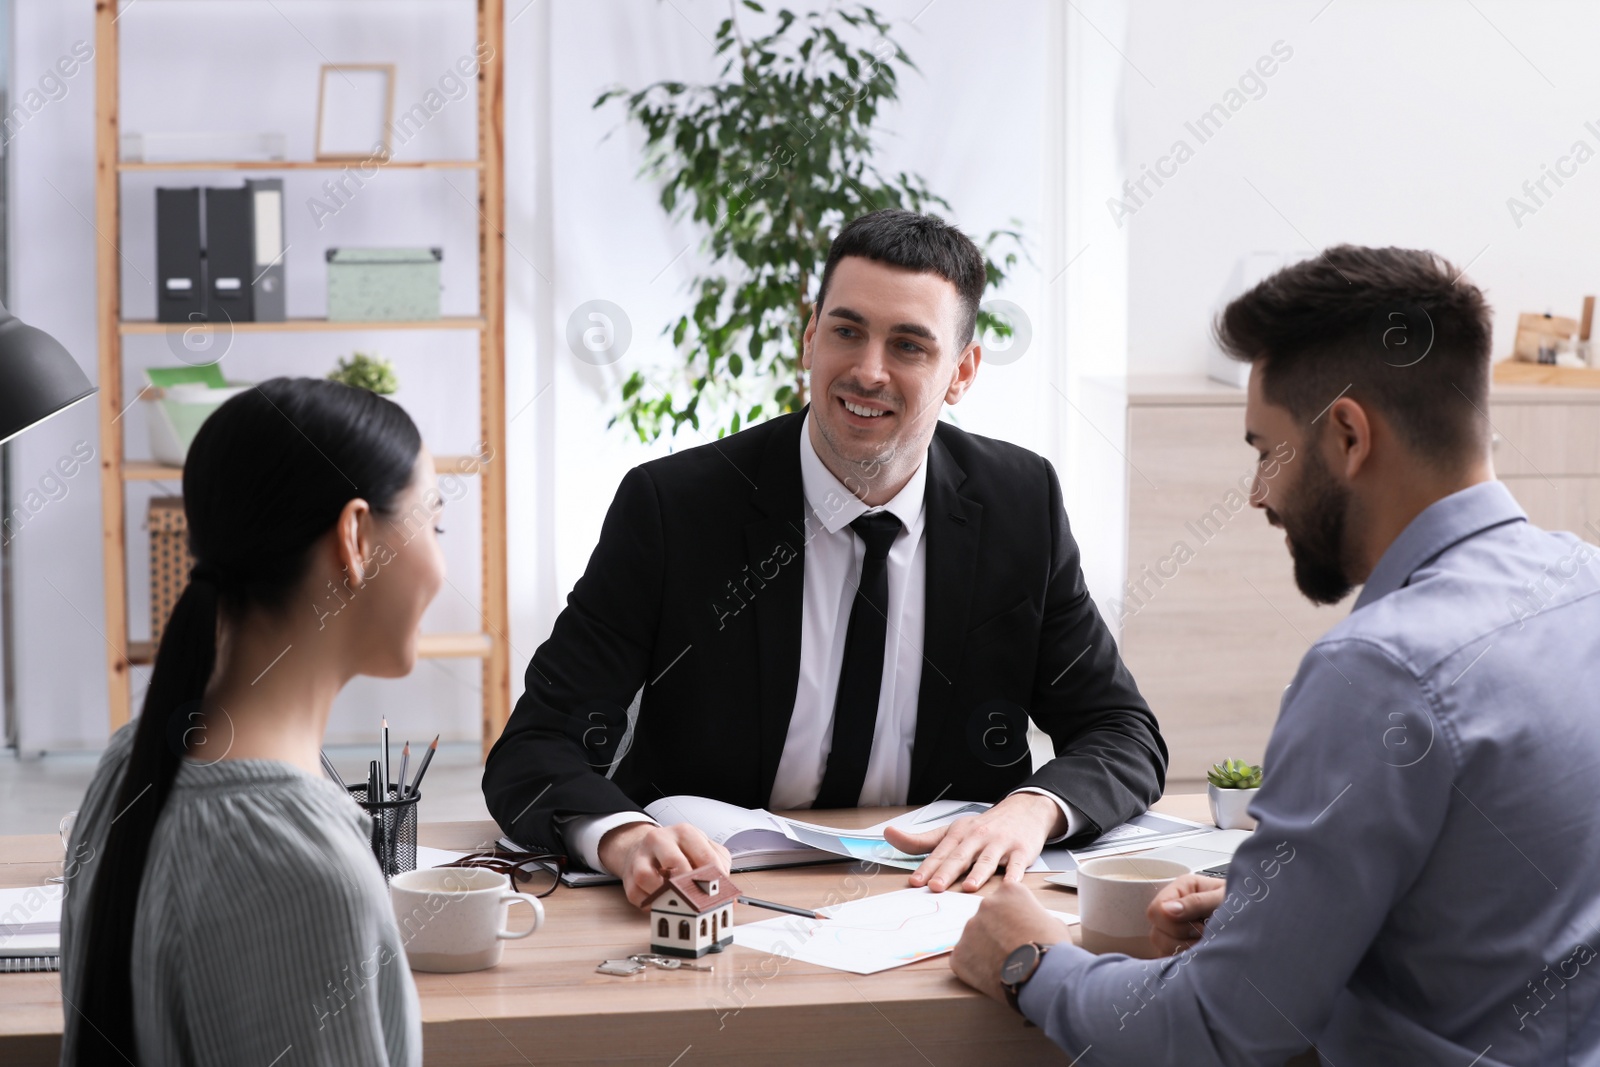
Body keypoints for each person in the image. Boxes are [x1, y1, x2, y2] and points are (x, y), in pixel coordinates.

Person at [952, 245, 1600, 1064]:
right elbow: (1512, 908)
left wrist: (1028, 958)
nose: (1259, 493)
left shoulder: (1378, 672)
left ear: (1348, 436)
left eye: (1266, 451)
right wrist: (1290, 910)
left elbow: (1212, 1034)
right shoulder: (1586, 585)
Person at [483, 208, 1168, 908]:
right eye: (847, 331)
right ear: (810, 339)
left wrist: (1033, 807)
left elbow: (1121, 731)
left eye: (909, 346)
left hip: (938, 902)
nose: (868, 371)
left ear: (961, 371)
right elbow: (536, 747)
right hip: (707, 902)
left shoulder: (1021, 506)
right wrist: (623, 836)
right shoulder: (675, 507)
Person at [59, 378, 446, 1066]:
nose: (443, 568)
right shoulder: (305, 872)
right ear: (355, 537)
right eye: (434, 523)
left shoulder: (128, 765)